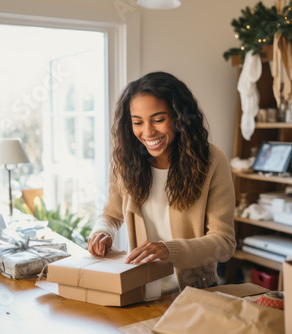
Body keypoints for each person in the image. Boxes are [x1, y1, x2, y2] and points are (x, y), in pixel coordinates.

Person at [87, 71, 236, 294]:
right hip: (139, 289)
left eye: (158, 120)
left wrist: (169, 250)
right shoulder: (125, 160)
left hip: (194, 293)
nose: (147, 132)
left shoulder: (212, 161)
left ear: (179, 117)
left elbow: (224, 244)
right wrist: (102, 231)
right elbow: (112, 214)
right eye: (137, 122)